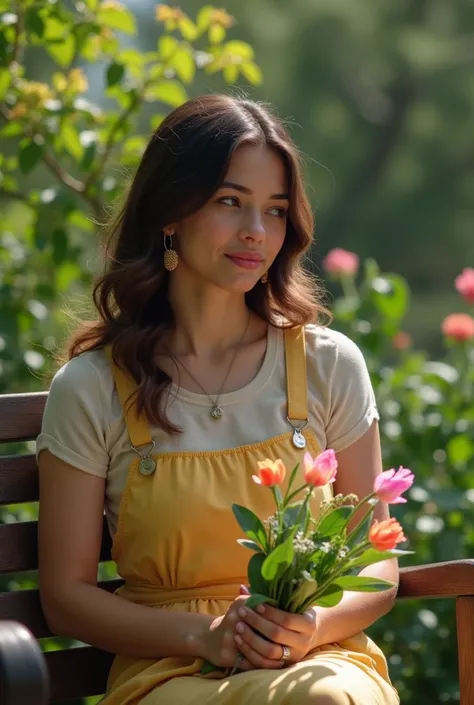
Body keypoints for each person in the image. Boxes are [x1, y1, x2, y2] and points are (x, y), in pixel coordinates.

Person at [37, 94, 400, 705]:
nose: (256, 232)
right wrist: (206, 636)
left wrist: (307, 626)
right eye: (230, 202)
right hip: (172, 670)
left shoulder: (327, 363)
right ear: (170, 213)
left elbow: (377, 559)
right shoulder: (94, 388)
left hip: (318, 657)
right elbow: (65, 598)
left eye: (275, 210)